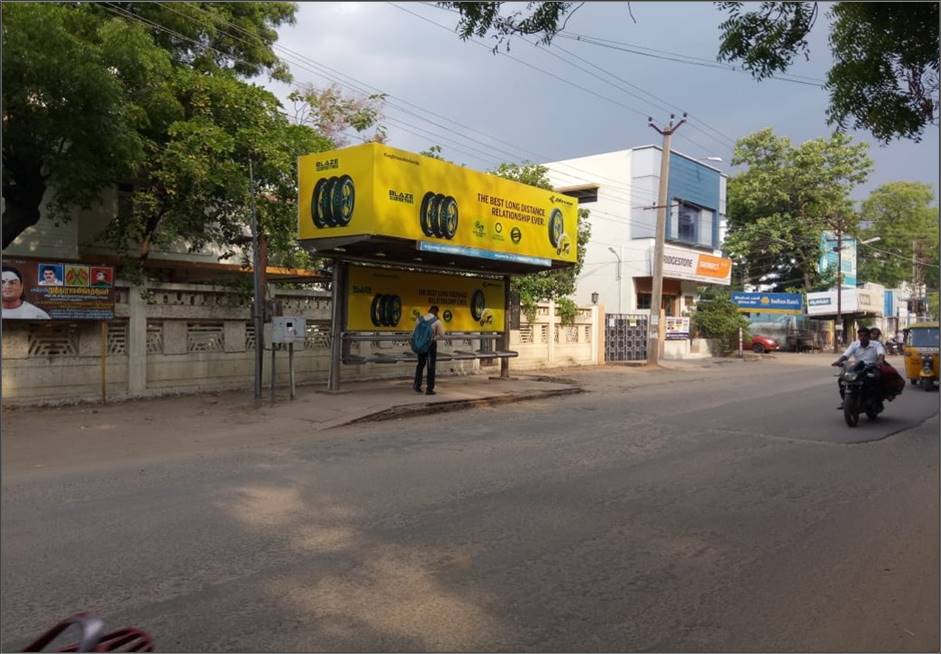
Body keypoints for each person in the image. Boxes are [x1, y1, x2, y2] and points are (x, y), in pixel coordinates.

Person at [832, 326, 885, 409]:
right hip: (858, 367)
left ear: (868, 336)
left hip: (872, 366)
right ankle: (845, 400)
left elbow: (881, 353)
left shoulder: (876, 344)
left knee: (876, 379)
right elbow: (846, 355)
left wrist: (880, 361)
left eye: (865, 336)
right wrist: (839, 361)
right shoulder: (854, 344)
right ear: (858, 337)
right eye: (861, 336)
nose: (862, 338)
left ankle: (875, 400)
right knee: (842, 379)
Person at [413, 304, 445, 395]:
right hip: (431, 345)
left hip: (421, 345)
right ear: (436, 312)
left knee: (420, 364)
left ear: (429, 310)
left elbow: (415, 332)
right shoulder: (437, 321)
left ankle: (417, 385)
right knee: (431, 367)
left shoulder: (419, 319)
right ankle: (429, 389)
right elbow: (442, 335)